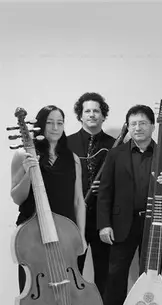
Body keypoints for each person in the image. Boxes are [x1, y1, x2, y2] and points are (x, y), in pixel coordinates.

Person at [92, 104, 162, 305]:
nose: (138, 128)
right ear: (128, 126)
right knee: (115, 281)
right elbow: (105, 192)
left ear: (152, 126)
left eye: (143, 123)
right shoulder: (116, 154)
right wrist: (104, 224)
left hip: (154, 226)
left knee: (155, 281)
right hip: (121, 226)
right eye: (133, 123)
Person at [10, 106, 85, 305]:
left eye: (60, 122)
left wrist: (81, 235)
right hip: (32, 233)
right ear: (39, 126)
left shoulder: (72, 158)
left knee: (65, 289)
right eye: (50, 122)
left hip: (64, 233)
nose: (55, 127)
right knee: (32, 289)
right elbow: (16, 197)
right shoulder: (22, 154)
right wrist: (28, 173)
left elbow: (79, 201)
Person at [66, 92, 116, 292]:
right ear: (80, 115)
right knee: (72, 273)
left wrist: (105, 187)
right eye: (87, 111)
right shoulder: (66, 143)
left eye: (96, 111)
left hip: (104, 220)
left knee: (105, 275)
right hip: (74, 218)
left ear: (103, 115)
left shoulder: (115, 145)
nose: (92, 114)